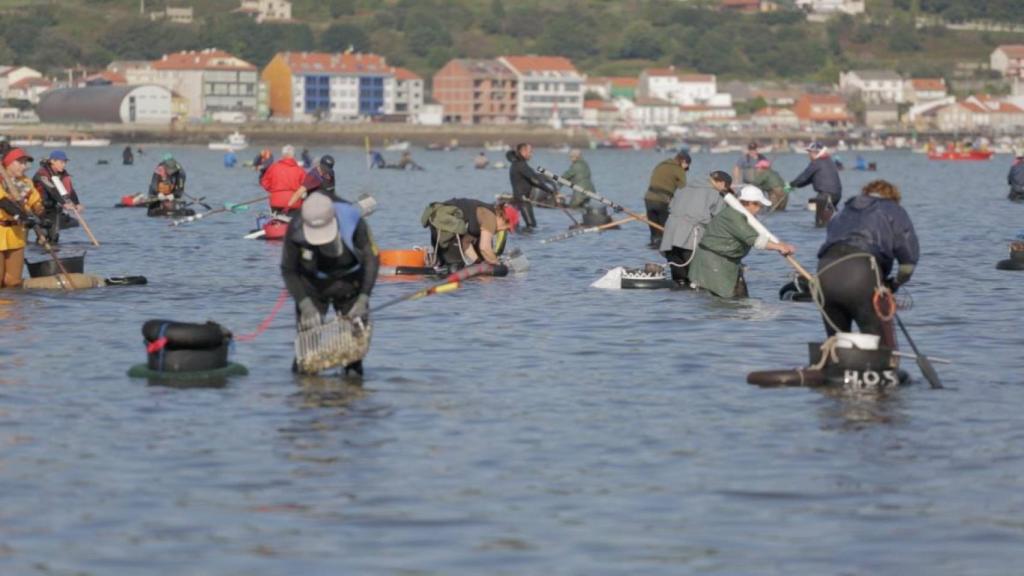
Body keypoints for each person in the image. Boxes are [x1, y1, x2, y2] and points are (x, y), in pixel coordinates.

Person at [281, 192, 379, 376]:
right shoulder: (295, 228)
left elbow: (372, 259)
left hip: (351, 287)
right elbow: (288, 270)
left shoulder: (353, 220)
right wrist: (305, 304)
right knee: (306, 359)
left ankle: (351, 395)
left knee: (354, 359)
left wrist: (363, 299)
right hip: (312, 289)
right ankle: (306, 395)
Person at [816, 180, 919, 348]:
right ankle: (882, 369)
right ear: (893, 197)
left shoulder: (843, 211)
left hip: (825, 270)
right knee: (880, 344)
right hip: (861, 273)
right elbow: (907, 265)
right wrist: (894, 284)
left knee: (838, 343)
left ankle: (835, 369)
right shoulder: (894, 209)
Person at [689, 185, 795, 298]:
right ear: (750, 203)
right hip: (713, 263)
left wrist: (780, 244)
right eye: (759, 205)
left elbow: (760, 235)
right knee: (725, 301)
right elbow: (754, 240)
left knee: (740, 298)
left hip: (729, 263)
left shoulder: (745, 216)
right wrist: (778, 247)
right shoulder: (734, 216)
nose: (760, 209)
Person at [660, 170, 732, 286]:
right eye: (726, 188)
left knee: (679, 281)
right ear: (722, 183)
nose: (724, 191)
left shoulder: (683, 187)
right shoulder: (715, 193)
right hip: (691, 238)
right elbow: (720, 219)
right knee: (696, 280)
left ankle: (674, 303)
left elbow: (671, 207)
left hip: (670, 236)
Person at [421, 198, 516, 269]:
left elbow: (465, 242)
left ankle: (433, 262)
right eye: (506, 228)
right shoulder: (490, 217)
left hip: (437, 220)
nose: (501, 231)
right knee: (455, 267)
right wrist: (498, 264)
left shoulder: (483, 215)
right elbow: (485, 248)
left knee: (444, 265)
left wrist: (477, 263)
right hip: (444, 222)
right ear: (503, 218)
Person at [0, 148, 45, 288]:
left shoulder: (26, 182)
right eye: (20, 162)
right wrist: (22, 216)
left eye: (26, 163)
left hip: (17, 234)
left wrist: (42, 215)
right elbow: (4, 202)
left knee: (13, 281)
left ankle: (13, 308)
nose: (24, 166)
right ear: (8, 163)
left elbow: (35, 203)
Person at [33, 150, 81, 244]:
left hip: (53, 208)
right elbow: (52, 190)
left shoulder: (62, 174)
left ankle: (54, 255)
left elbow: (70, 189)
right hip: (39, 207)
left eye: (65, 162)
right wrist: (64, 204)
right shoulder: (42, 174)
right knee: (43, 235)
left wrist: (76, 203)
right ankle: (38, 254)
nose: (64, 165)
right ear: (52, 161)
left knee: (54, 237)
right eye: (61, 162)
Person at [644, 150, 690, 247]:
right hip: (662, 201)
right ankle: (666, 250)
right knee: (665, 230)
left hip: (649, 199)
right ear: (684, 162)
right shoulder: (679, 170)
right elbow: (684, 190)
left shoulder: (661, 164)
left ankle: (654, 245)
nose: (687, 169)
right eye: (687, 166)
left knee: (654, 231)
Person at [790, 141, 842, 227]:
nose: (808, 155)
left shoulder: (816, 163)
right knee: (827, 223)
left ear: (815, 152)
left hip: (825, 196)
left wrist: (791, 185)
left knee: (820, 224)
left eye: (809, 152)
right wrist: (796, 185)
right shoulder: (829, 161)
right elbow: (809, 179)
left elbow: (804, 177)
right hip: (836, 196)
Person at [507, 143, 556, 231]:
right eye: (530, 152)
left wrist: (548, 180)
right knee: (531, 225)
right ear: (523, 151)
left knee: (529, 225)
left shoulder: (519, 163)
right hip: (522, 199)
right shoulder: (520, 165)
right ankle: (526, 242)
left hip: (521, 199)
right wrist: (549, 190)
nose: (531, 154)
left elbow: (533, 175)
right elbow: (534, 180)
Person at [260, 144, 307, 215]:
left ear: (282, 155)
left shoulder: (273, 168)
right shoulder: (300, 170)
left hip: (276, 202)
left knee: (276, 221)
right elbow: (306, 186)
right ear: (293, 156)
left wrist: (274, 190)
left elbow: (264, 182)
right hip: (294, 203)